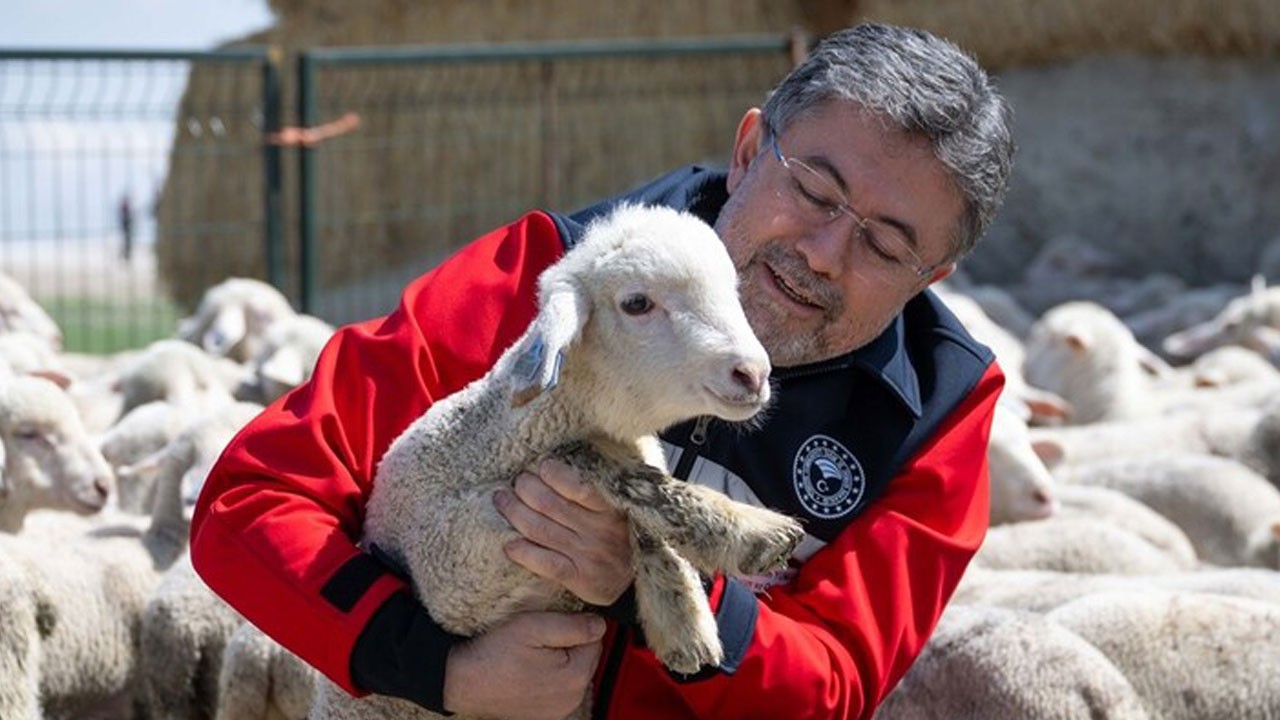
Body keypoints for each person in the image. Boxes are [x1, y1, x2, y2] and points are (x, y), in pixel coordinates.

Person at [191, 21, 1014, 720]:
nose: (823, 255)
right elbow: (251, 501)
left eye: (885, 244)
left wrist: (648, 577)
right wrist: (440, 670)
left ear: (931, 278)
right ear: (750, 148)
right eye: (815, 191)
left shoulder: (939, 413)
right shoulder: (547, 277)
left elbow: (834, 685)